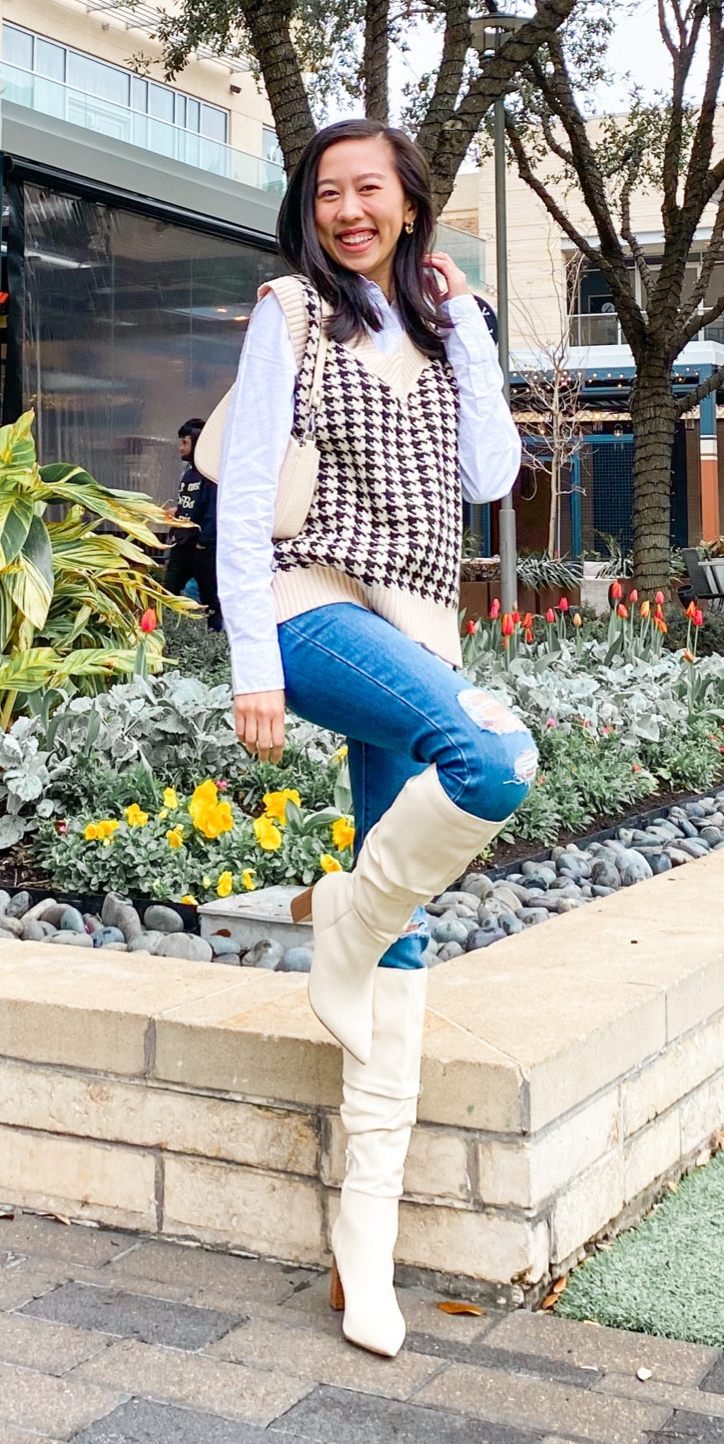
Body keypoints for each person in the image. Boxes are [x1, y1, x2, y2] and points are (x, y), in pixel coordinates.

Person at [217, 115, 532, 1359]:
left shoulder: (441, 323)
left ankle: (365, 1249)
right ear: (313, 206)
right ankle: (341, 921)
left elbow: (492, 475)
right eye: (329, 191)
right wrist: (250, 659)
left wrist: (476, 335)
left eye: (371, 190)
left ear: (410, 203)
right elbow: (246, 488)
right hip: (307, 605)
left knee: (405, 932)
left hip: (415, 627)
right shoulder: (288, 311)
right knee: (496, 760)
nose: (350, 208)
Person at [163, 417, 220, 629]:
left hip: (201, 549)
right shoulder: (188, 473)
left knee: (211, 599)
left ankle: (215, 638)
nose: (180, 448)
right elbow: (193, 505)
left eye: (185, 442)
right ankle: (166, 631)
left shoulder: (210, 475)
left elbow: (213, 512)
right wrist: (177, 513)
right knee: (168, 593)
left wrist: (203, 542)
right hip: (182, 544)